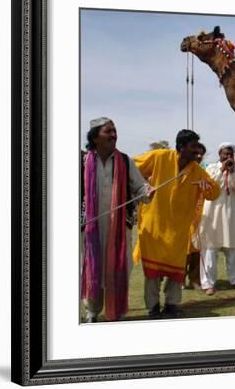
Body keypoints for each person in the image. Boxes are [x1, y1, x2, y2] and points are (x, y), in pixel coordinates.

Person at [133, 130, 221, 319]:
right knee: (152, 273)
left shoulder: (196, 170)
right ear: (181, 147)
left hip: (178, 230)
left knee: (175, 271)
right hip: (154, 226)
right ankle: (153, 308)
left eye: (199, 147)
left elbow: (214, 193)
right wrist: (144, 185)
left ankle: (172, 305)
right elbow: (132, 167)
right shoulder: (159, 157)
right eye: (193, 147)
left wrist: (208, 188)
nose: (198, 152)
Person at [81, 117, 154, 323]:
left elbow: (140, 187)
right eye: (108, 131)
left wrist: (147, 190)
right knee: (91, 265)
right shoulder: (82, 162)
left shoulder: (124, 161)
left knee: (119, 268)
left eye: (115, 131)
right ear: (95, 137)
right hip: (89, 228)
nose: (114, 135)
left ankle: (117, 314)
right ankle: (92, 312)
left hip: (120, 228)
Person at [198, 142, 235, 295]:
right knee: (210, 250)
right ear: (220, 154)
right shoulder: (211, 168)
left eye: (229, 154)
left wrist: (232, 172)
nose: (227, 157)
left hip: (229, 214)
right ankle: (208, 284)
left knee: (232, 248)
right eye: (225, 154)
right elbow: (210, 185)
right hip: (212, 215)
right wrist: (222, 169)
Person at [184, 142, 207, 290]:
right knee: (183, 251)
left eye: (201, 154)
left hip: (200, 216)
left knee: (197, 250)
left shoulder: (204, 172)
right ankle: (179, 280)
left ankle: (195, 279)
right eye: (196, 153)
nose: (198, 156)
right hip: (182, 217)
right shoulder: (181, 169)